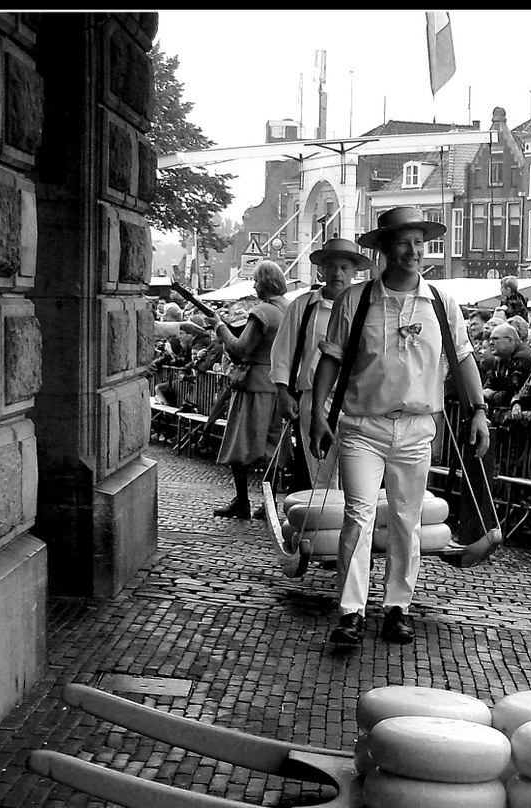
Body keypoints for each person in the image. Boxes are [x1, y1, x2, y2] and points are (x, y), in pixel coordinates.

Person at [308, 207, 490, 647]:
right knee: (358, 515)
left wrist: (480, 410)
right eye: (404, 243)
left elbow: (463, 357)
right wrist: (317, 412)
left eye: (419, 243)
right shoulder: (357, 300)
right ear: (386, 249)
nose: (413, 251)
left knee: (407, 519)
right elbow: (331, 358)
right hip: (361, 426)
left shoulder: (441, 303)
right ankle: (351, 611)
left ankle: (397, 607)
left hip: (416, 427)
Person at [185, 260, 294, 519]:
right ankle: (269, 505)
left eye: (256, 281)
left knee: (240, 444)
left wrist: (219, 327)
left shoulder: (262, 312)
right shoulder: (289, 308)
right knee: (273, 448)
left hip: (254, 384)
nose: (254, 286)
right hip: (281, 386)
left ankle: (242, 500)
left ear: (265, 283)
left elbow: (240, 348)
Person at [270, 239, 372, 490]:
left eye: (345, 267)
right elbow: (284, 349)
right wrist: (283, 392)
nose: (338, 273)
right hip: (314, 399)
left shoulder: (367, 306)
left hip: (356, 400)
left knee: (355, 475)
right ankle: (323, 524)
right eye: (332, 267)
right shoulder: (304, 306)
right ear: (322, 270)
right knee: (321, 472)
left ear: (354, 271)